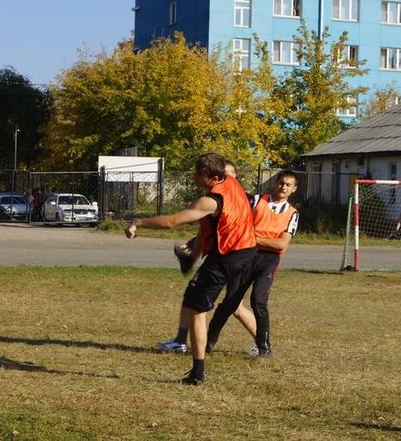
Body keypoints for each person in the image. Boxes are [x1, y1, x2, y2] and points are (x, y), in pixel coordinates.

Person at [125, 153, 256, 385]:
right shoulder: (232, 183)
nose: (194, 176)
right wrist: (194, 255)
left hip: (227, 258)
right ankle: (263, 344)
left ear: (214, 177)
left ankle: (197, 372)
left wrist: (138, 222)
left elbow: (172, 222)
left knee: (197, 310)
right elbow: (208, 229)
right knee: (228, 304)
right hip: (248, 253)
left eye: (199, 173)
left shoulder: (211, 201)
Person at [156, 161, 257, 354]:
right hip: (229, 256)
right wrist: (192, 251)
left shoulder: (239, 198)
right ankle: (180, 340)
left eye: (229, 173)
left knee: (232, 306)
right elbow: (207, 231)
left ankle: (262, 345)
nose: (226, 177)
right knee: (193, 294)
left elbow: (236, 230)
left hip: (235, 257)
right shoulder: (218, 195)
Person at [206, 170, 299, 358]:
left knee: (259, 301)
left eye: (288, 185)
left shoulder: (292, 214)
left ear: (294, 189)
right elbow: (236, 220)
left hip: (268, 261)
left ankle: (264, 348)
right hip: (246, 255)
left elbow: (281, 244)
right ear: (276, 183)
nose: (283, 187)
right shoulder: (257, 200)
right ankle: (207, 343)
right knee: (230, 302)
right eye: (281, 183)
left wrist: (253, 237)